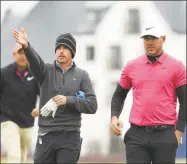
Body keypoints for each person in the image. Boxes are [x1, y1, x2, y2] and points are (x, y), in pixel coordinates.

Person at [13, 27, 98, 164]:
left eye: (65, 47)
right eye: (58, 48)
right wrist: (27, 47)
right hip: (45, 136)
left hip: (70, 136)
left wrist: (68, 100)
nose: (61, 50)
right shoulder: (45, 71)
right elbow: (35, 61)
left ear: (72, 51)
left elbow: (92, 105)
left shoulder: (82, 76)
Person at [110, 25, 186, 164]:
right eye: (146, 39)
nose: (149, 42)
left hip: (165, 135)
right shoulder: (131, 66)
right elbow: (119, 95)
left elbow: (185, 101)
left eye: (154, 38)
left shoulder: (177, 67)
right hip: (137, 135)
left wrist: (179, 131)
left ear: (163, 39)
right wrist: (114, 117)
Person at [0, 43, 40, 163]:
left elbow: (44, 94)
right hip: (7, 121)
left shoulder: (36, 75)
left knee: (22, 157)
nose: (23, 56)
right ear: (14, 55)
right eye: (20, 52)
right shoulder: (3, 73)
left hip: (27, 123)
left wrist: (41, 108)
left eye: (25, 53)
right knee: (14, 155)